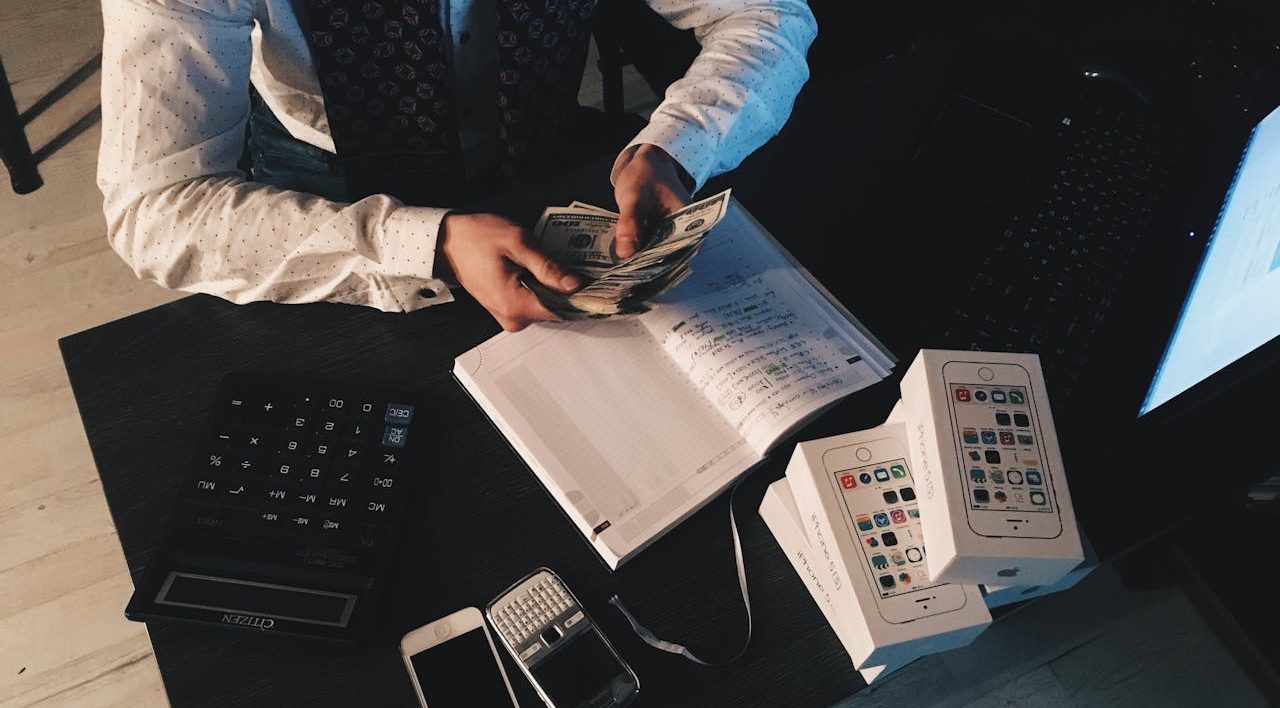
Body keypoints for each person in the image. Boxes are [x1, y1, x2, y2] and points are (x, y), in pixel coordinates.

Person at [96, 0, 818, 332]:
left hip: (543, 146)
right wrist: (426, 243)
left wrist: (679, 144)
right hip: (332, 187)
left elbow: (768, 15)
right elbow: (153, 209)